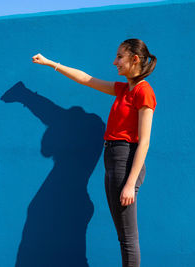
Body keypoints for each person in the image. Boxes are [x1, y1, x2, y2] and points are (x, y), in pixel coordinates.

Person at [32, 38, 157, 267]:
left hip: (126, 161)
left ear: (135, 59)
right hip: (112, 160)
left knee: (128, 237)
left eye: (120, 56)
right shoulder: (123, 90)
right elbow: (86, 79)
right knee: (123, 235)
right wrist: (51, 64)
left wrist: (130, 183)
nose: (115, 61)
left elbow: (145, 142)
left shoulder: (143, 92)